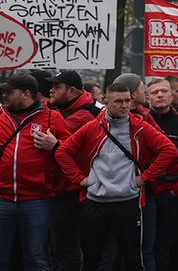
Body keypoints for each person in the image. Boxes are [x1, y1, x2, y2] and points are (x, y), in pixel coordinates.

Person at [54, 81, 177, 271]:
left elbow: (170, 150)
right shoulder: (93, 126)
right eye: (118, 101)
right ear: (106, 101)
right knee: (91, 260)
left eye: (127, 101)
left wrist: (145, 177)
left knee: (133, 260)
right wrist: (79, 179)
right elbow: (62, 152)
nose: (124, 105)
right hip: (96, 201)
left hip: (128, 201)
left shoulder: (139, 126)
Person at [0, 71, 69, 271]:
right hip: (2, 198)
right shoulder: (1, 116)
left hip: (37, 200)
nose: (4, 95)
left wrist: (56, 145)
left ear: (26, 94)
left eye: (10, 92)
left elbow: (72, 151)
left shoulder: (52, 118)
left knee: (36, 257)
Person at [47, 69, 98, 271]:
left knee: (66, 246)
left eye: (57, 87)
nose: (51, 90)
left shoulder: (83, 116)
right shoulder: (62, 110)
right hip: (59, 188)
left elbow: (69, 148)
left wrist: (55, 144)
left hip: (71, 190)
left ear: (72, 91)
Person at [146, 76, 178, 271]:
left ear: (172, 96)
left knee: (166, 246)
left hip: (171, 194)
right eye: (155, 92)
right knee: (144, 247)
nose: (160, 95)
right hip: (144, 192)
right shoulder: (139, 123)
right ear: (147, 98)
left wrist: (176, 190)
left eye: (164, 91)